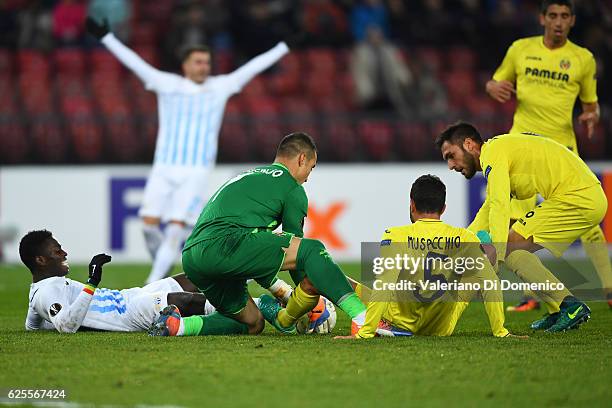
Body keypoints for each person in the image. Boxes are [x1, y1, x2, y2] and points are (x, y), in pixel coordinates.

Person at [85, 17, 291, 285]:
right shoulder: (167, 84)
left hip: (196, 171)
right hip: (164, 168)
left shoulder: (219, 87)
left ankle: (153, 282)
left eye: (206, 62)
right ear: (185, 65)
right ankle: (164, 261)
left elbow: (252, 68)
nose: (203, 67)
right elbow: (135, 63)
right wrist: (106, 37)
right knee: (148, 225)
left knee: (175, 228)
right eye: (198, 62)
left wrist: (284, 47)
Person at [149, 133, 367, 337]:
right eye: (311, 168)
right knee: (313, 249)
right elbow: (300, 261)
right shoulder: (292, 188)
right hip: (227, 244)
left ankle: (178, 326)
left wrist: (282, 292)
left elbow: (259, 256)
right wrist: (311, 298)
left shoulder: (248, 176)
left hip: (193, 256)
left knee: (252, 322)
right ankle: (362, 317)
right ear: (302, 159)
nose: (308, 177)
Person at [484, 0, 611, 310]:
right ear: (542, 18)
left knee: (589, 223)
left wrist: (592, 115)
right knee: (518, 225)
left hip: (561, 151)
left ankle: (608, 288)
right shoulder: (520, 49)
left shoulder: (583, 59)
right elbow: (495, 81)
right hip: (523, 149)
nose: (558, 21)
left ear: (572, 21)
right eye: (552, 15)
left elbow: (591, 104)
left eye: (564, 16)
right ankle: (532, 296)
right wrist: (492, 88)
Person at [436, 122, 605, 332]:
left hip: (577, 197)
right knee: (512, 252)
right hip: (583, 195)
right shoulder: (498, 152)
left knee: (508, 247)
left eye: (451, 156)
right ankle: (559, 308)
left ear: (469, 144)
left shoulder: (493, 153)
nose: (451, 166)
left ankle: (569, 306)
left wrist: (495, 258)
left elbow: (500, 206)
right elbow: (489, 210)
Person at [335, 175, 516, 339]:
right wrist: (500, 331)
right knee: (482, 269)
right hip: (441, 327)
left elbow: (385, 284)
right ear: (443, 208)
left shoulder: (395, 235)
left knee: (339, 279)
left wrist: (366, 332)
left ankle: (384, 325)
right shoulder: (464, 237)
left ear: (412, 204)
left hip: (400, 321)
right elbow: (490, 282)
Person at [20, 230, 212, 333]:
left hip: (127, 297)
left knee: (193, 276)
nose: (64, 253)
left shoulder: (39, 290)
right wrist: (92, 282)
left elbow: (32, 327)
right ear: (40, 260)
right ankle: (237, 314)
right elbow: (66, 326)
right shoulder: (46, 292)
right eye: (57, 251)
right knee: (186, 300)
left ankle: (237, 289)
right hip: (126, 314)